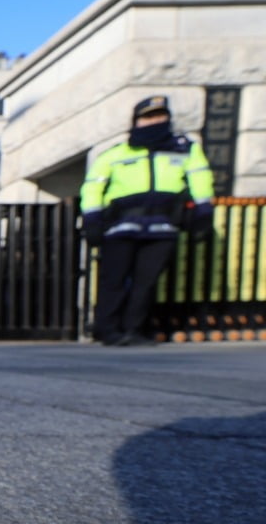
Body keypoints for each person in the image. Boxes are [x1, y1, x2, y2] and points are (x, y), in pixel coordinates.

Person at [80, 95, 214, 346]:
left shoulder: (184, 150)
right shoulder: (115, 154)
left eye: (159, 116)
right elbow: (93, 187)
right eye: (148, 116)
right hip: (119, 227)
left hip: (163, 226)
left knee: (146, 282)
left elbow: (200, 181)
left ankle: (135, 330)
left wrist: (204, 212)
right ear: (136, 121)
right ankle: (107, 330)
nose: (154, 121)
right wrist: (92, 219)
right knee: (113, 281)